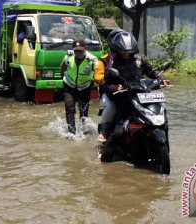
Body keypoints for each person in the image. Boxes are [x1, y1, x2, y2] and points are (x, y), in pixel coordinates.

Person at [100, 31, 169, 162]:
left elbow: (151, 71)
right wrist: (116, 87)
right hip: (124, 98)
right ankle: (104, 158)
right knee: (119, 131)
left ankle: (164, 148)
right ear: (117, 49)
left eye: (129, 51)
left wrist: (161, 79)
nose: (126, 54)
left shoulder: (138, 59)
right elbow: (106, 83)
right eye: (123, 51)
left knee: (163, 121)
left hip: (142, 96)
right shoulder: (112, 62)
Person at [60, 39, 98, 134]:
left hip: (85, 87)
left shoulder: (92, 60)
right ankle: (71, 132)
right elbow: (62, 67)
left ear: (85, 48)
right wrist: (63, 78)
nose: (78, 52)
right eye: (76, 50)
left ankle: (83, 131)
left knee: (83, 111)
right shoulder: (68, 56)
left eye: (80, 50)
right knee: (69, 107)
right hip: (69, 86)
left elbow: (98, 73)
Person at [94, 29, 124, 142]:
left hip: (128, 89)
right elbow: (97, 77)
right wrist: (107, 78)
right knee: (111, 106)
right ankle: (105, 131)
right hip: (109, 91)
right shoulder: (104, 59)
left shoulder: (130, 58)